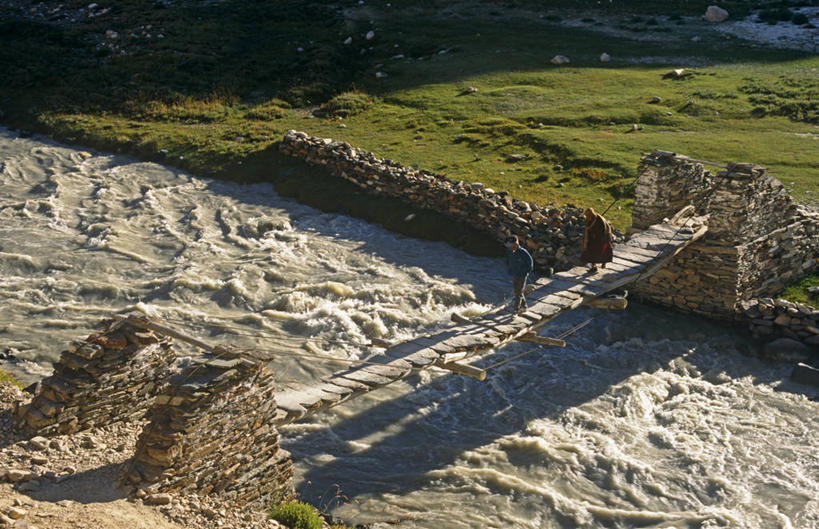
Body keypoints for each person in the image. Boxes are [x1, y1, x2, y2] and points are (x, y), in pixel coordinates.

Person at [505, 235, 534, 313]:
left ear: (516, 244)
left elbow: (530, 263)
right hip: (515, 273)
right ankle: (524, 306)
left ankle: (516, 309)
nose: (510, 247)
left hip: (522, 275)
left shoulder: (523, 252)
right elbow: (508, 260)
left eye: (511, 245)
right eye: (509, 245)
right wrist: (509, 268)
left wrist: (526, 272)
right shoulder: (509, 251)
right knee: (516, 291)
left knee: (518, 293)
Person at [581, 207, 613, 272]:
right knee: (591, 253)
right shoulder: (591, 219)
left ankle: (603, 263)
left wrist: (593, 233)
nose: (587, 216)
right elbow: (587, 226)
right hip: (593, 239)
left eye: (588, 215)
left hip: (601, 239)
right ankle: (593, 267)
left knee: (601, 252)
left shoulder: (599, 220)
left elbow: (602, 230)